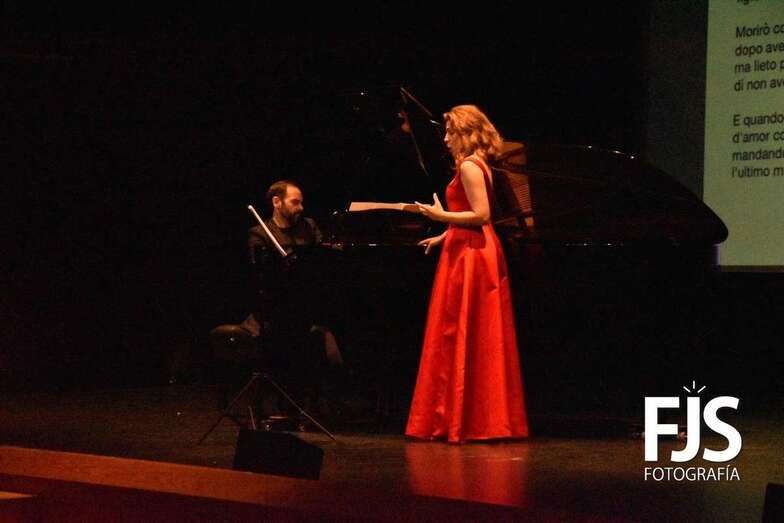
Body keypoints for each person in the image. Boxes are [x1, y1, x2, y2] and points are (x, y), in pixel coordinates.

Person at [405, 105, 529, 443]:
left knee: (464, 329)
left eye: (451, 132)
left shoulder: (471, 166)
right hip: (468, 246)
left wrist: (440, 216)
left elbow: (481, 214)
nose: (445, 139)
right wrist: (444, 235)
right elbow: (470, 215)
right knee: (468, 331)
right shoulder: (476, 164)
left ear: (466, 133)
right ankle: (468, 415)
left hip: (472, 254)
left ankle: (467, 419)